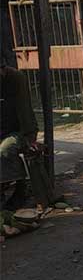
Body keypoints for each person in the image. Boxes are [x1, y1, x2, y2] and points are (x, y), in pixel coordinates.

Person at [1, 65, 38, 210]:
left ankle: (20, 190)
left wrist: (30, 137)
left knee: (5, 151)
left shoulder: (15, 79)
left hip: (17, 131)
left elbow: (25, 110)